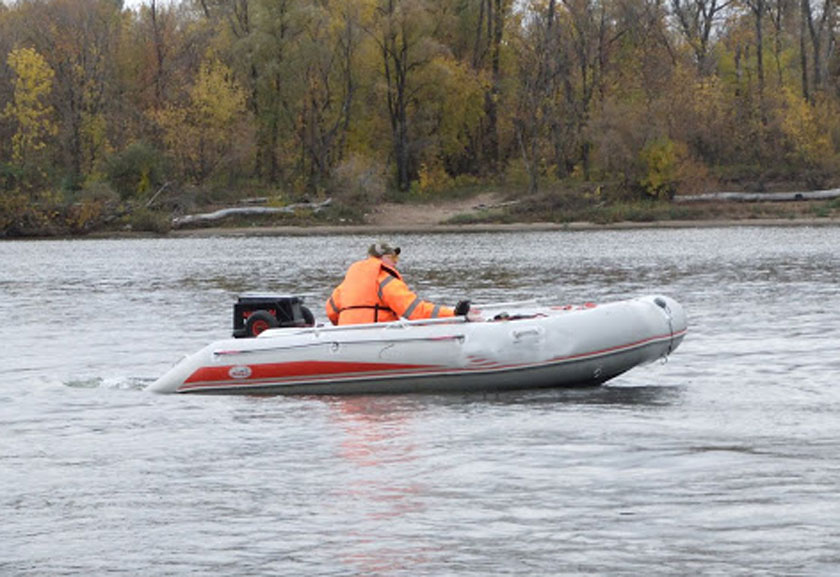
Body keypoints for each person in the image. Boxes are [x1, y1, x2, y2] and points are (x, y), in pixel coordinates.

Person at [326, 242, 474, 325]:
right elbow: (415, 311)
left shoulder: (347, 283)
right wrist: (452, 314)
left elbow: (331, 311)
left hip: (347, 336)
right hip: (376, 336)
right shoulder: (384, 281)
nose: (395, 263)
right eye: (393, 259)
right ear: (383, 258)